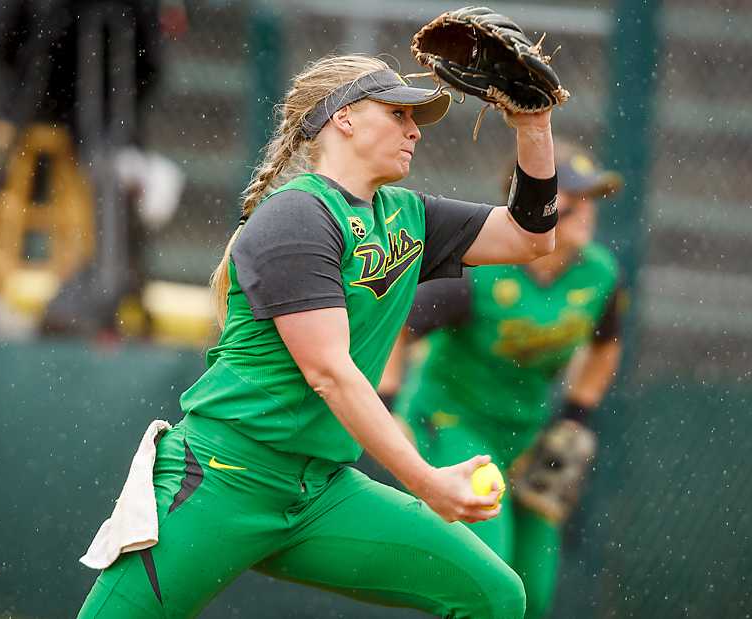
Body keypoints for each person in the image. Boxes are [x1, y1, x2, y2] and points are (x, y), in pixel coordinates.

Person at [77, 54, 560, 618]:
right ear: (345, 117)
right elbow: (329, 373)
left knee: (495, 596)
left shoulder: (409, 215)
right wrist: (425, 480)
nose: (413, 131)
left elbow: (530, 237)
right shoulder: (298, 216)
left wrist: (534, 128)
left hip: (319, 491)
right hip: (224, 476)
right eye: (398, 113)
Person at [378, 141, 626, 619]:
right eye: (577, 198)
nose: (589, 211)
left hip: (527, 434)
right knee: (490, 577)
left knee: (534, 588)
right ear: (539, 204)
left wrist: (577, 416)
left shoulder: (599, 274)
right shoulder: (483, 268)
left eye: (593, 198)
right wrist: (387, 407)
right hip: (454, 424)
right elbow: (399, 328)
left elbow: (606, 344)